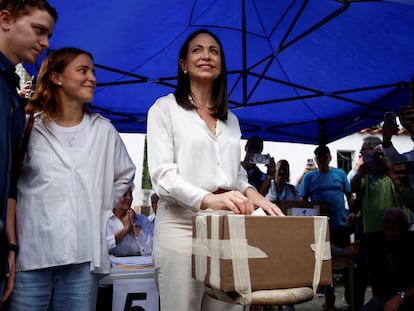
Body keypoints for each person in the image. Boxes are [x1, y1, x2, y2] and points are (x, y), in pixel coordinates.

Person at [147, 29, 283, 311]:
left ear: (221, 64)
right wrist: (209, 199)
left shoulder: (231, 119)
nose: (206, 55)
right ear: (183, 64)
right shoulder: (164, 109)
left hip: (226, 227)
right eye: (197, 50)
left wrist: (252, 193)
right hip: (182, 227)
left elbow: (236, 173)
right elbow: (163, 177)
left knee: (229, 307)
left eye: (214, 51)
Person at [7, 47, 135, 311]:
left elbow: (125, 174)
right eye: (82, 70)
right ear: (56, 77)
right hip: (31, 258)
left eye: (93, 72)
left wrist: (98, 207)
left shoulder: (103, 130)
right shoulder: (29, 124)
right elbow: (8, 182)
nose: (92, 78)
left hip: (82, 262)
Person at [0, 0, 57, 307]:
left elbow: (9, 180)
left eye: (48, 34)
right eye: (39, 30)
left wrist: (10, 246)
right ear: (5, 19)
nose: (45, 43)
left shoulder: (11, 91)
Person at [299, 145, 352, 311]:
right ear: (315, 159)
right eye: (318, 156)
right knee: (324, 264)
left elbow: (349, 195)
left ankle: (350, 299)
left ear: (329, 157)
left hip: (341, 224)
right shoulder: (309, 177)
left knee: (346, 262)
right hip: (320, 228)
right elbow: (303, 201)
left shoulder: (340, 174)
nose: (321, 159)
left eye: (324, 155)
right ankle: (329, 300)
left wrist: (353, 214)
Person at [346, 208, 414, 311]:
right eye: (386, 221)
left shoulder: (411, 242)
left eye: (395, 222)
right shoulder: (375, 239)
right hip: (382, 300)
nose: (390, 225)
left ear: (404, 226)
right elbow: (352, 248)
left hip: (408, 299)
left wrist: (401, 297)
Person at [107, 186, 153, 256]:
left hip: (139, 265)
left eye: (130, 194)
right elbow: (101, 248)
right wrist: (125, 230)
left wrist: (134, 225)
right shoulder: (105, 221)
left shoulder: (142, 220)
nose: (129, 198)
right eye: (124, 194)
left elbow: (150, 250)